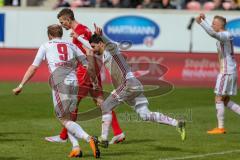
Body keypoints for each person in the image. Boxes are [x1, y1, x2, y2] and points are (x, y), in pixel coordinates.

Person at [77, 25, 186, 147]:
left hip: (127, 84)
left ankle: (104, 139)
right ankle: (176, 123)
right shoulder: (102, 52)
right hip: (134, 85)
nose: (92, 49)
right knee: (145, 115)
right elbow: (90, 43)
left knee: (105, 106)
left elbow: (108, 43)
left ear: (101, 44)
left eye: (93, 46)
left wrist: (102, 35)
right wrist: (78, 38)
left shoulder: (111, 50)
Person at [12, 24, 100, 158]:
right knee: (69, 118)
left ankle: (88, 138)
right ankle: (76, 148)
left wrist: (21, 85)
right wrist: (94, 82)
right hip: (74, 83)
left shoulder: (46, 45)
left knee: (63, 119)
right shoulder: (72, 45)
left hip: (60, 84)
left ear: (49, 35)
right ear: (61, 34)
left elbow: (34, 67)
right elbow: (88, 64)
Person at [45, 8, 125, 144]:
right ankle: (118, 133)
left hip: (86, 70)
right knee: (101, 102)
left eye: (62, 22)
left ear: (68, 19)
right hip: (92, 69)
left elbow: (90, 52)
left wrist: (90, 72)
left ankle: (64, 136)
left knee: (72, 102)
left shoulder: (80, 32)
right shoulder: (84, 29)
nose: (61, 25)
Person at [196, 13, 240, 134]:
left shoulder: (224, 35)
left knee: (218, 98)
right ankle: (220, 127)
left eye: (214, 23)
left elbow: (212, 33)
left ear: (220, 25)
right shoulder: (225, 33)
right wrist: (205, 19)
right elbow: (215, 28)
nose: (212, 25)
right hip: (230, 70)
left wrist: (201, 23)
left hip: (226, 72)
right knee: (225, 100)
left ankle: (220, 128)